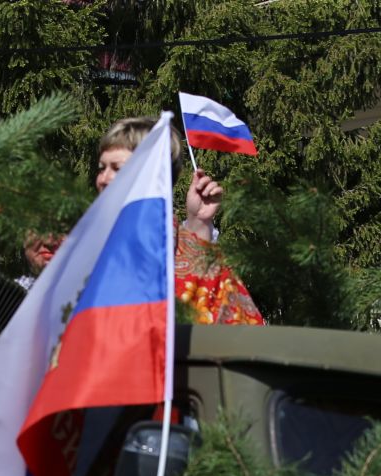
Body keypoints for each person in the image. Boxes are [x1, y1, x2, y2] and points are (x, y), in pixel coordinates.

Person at [93, 116, 264, 326]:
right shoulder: (82, 249)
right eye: (102, 168)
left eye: (117, 169)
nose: (103, 179)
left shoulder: (201, 264)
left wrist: (199, 225)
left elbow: (241, 341)